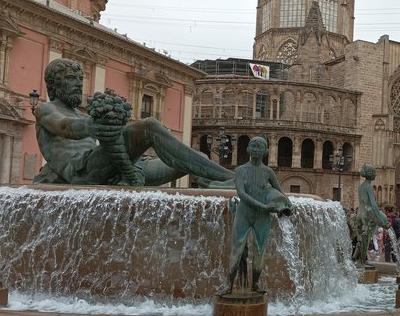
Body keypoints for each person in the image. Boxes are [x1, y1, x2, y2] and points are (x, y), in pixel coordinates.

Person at [33, 58, 236, 187]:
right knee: (147, 126)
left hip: (117, 171)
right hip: (83, 172)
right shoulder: (46, 109)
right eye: (71, 78)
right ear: (54, 83)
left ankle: (222, 185)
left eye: (80, 78)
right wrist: (91, 127)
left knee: (196, 158)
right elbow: (64, 126)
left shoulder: (81, 113)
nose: (78, 83)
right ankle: (230, 177)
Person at [223, 136, 292, 294]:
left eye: (260, 147)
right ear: (247, 149)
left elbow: (280, 191)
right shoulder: (240, 170)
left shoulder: (268, 172)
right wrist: (264, 207)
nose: (255, 149)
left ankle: (255, 284)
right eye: (253, 146)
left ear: (266, 152)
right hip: (244, 213)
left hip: (262, 216)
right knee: (237, 249)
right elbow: (241, 193)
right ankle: (229, 285)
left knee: (260, 250)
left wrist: (288, 204)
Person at [352, 164, 390, 266]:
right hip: (367, 213)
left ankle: (355, 257)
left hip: (359, 213)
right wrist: (381, 219)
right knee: (366, 237)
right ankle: (362, 261)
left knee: (361, 237)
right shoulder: (369, 187)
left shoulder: (361, 186)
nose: (375, 175)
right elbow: (373, 205)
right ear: (369, 174)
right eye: (374, 173)